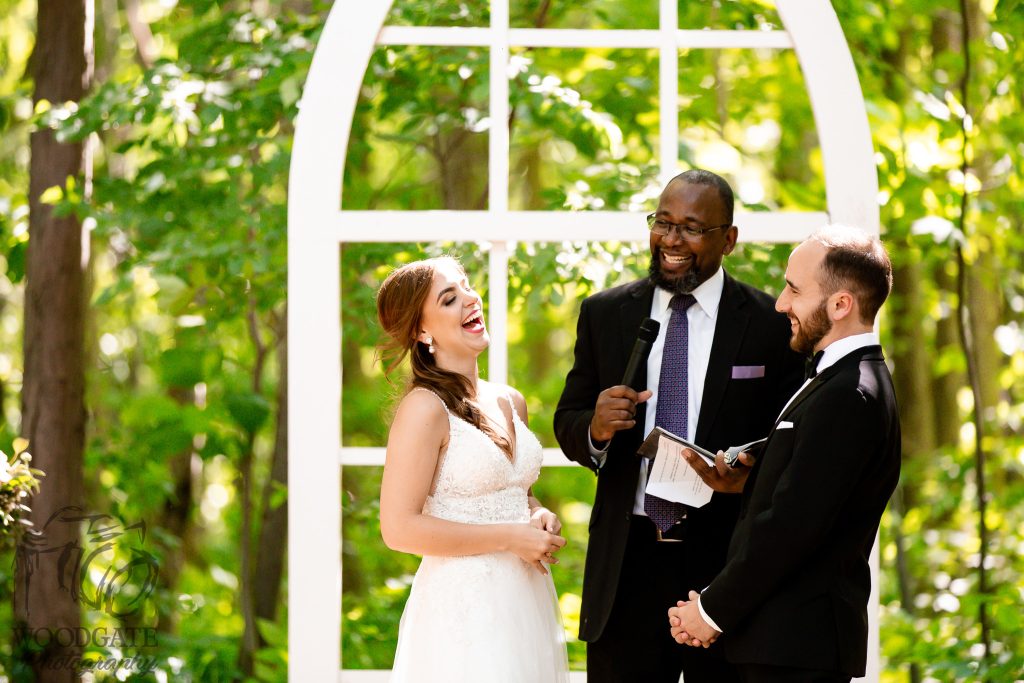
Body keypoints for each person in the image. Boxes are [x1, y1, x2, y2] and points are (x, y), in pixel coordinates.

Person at [554, 169, 804, 682]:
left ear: (729, 238)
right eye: (662, 223)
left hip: (726, 565)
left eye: (691, 228)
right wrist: (596, 428)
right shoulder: (605, 313)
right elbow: (568, 422)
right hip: (628, 563)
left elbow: (791, 443)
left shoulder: (770, 323)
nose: (671, 240)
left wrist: (747, 469)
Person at [668, 226, 901, 683]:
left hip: (798, 647)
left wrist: (710, 612)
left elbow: (792, 527)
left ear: (840, 305)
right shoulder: (837, 380)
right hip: (783, 642)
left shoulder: (850, 393)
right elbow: (812, 492)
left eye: (794, 289)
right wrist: (749, 480)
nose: (780, 303)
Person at [376, 256, 570, 683]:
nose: (470, 298)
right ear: (422, 332)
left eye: (466, 286)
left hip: (525, 600)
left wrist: (536, 515)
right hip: (464, 611)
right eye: (449, 298)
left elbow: (514, 493)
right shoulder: (424, 408)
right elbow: (398, 528)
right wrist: (509, 536)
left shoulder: (510, 401)